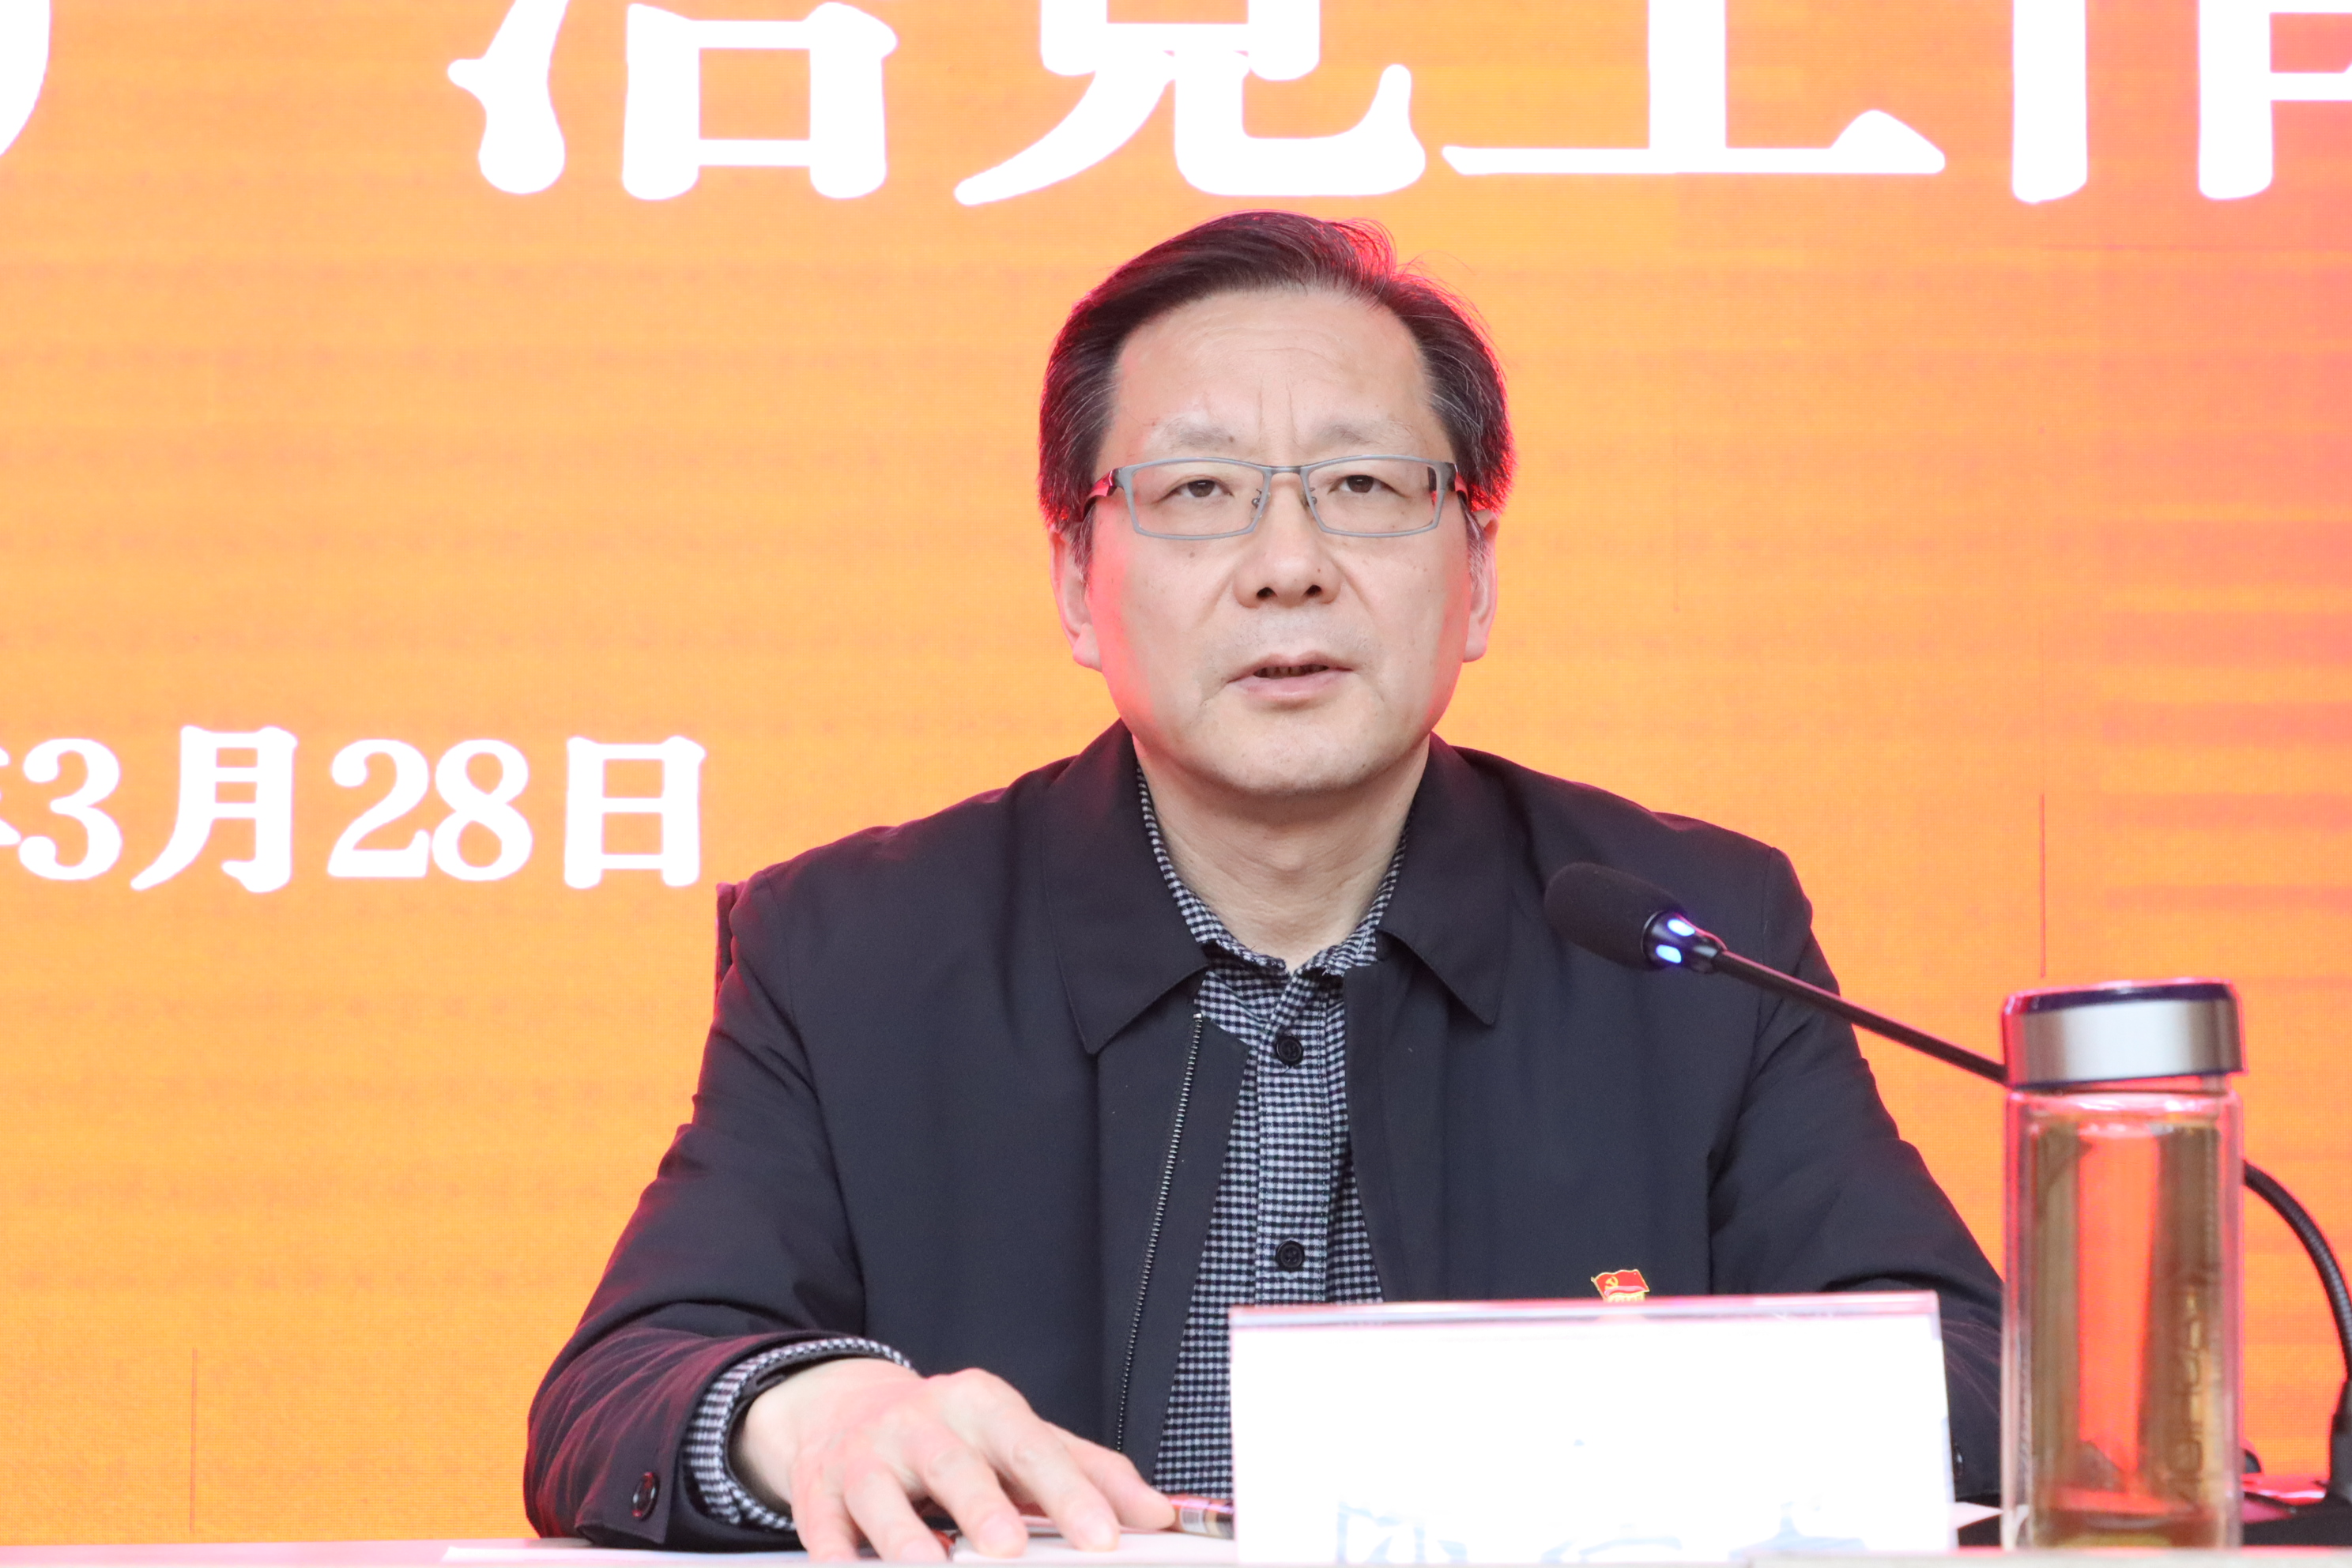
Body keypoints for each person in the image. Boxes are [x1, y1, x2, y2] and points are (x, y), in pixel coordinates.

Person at [524, 210, 2002, 1559]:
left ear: (1478, 575)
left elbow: (1979, 1383)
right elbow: (620, 1396)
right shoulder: (855, 951)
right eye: (1199, 490)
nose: (1288, 565)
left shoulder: (1688, 939)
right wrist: (819, 1416)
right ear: (1076, 586)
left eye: (1363, 484)